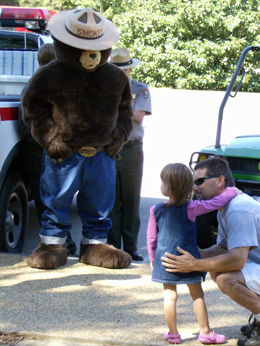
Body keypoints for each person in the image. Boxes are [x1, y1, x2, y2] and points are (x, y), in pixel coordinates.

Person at [161, 157, 260, 346]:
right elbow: (223, 247)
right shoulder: (227, 208)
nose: (194, 187)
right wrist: (194, 254)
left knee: (226, 277)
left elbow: (237, 260)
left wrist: (194, 264)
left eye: (199, 181)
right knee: (217, 269)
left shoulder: (238, 209)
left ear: (220, 181)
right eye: (193, 182)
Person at [147, 162, 241, 344]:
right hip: (188, 258)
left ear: (166, 186)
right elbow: (217, 202)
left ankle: (173, 333)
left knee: (169, 296)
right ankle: (205, 332)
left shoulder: (155, 210)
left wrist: (153, 260)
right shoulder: (192, 207)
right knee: (197, 295)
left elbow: (151, 239)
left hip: (165, 260)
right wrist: (232, 191)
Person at [18, 43, 77, 256]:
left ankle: (62, 244)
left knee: (56, 202)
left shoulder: (51, 85)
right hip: (39, 155)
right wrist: (52, 141)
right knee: (49, 204)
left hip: (52, 155)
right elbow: (24, 126)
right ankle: (61, 246)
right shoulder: (35, 88)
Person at [108, 47, 152, 261]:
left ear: (130, 70)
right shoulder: (103, 88)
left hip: (132, 147)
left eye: (125, 70)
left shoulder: (140, 89)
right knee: (111, 198)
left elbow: (138, 117)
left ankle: (131, 246)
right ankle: (114, 245)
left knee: (131, 198)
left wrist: (113, 108)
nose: (122, 74)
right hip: (110, 147)